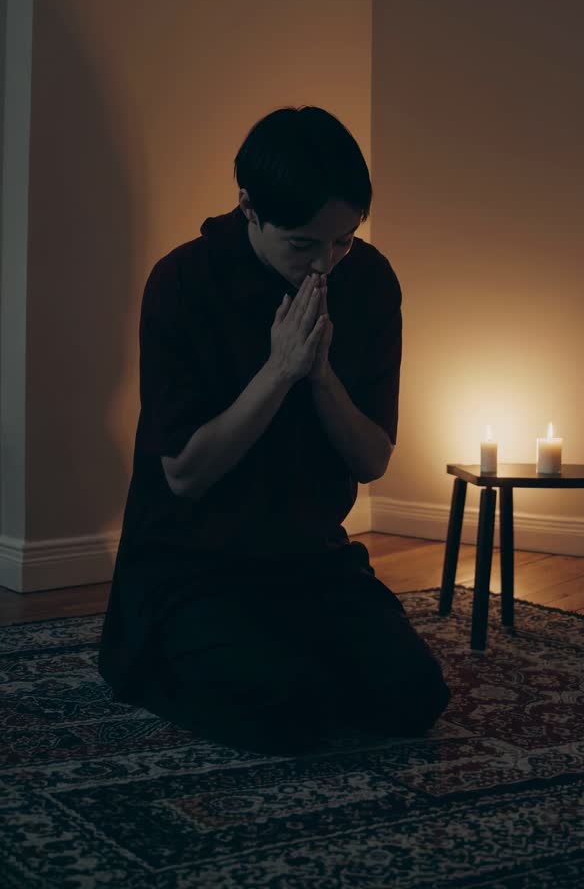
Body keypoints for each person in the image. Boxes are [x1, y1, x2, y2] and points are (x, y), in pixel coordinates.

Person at [98, 105, 451, 754]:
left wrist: (321, 377)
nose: (325, 264)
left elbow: (372, 459)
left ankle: (288, 659)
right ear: (249, 208)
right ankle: (169, 654)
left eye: (343, 241)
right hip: (194, 562)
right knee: (283, 713)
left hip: (310, 559)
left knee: (415, 698)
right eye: (303, 244)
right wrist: (280, 371)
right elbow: (185, 473)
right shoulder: (183, 281)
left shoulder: (369, 279)